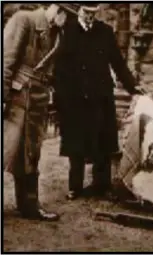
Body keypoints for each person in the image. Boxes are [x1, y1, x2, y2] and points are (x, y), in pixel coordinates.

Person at [53, 3, 142, 200]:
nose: (90, 17)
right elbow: (57, 65)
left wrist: (132, 86)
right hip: (74, 97)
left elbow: (117, 63)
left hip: (100, 95)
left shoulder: (105, 31)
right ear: (79, 11)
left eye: (94, 13)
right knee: (75, 142)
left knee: (104, 140)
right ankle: (75, 186)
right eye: (86, 13)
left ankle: (102, 185)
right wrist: (59, 94)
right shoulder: (66, 30)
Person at [3, 4, 69, 221]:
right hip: (16, 99)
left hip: (37, 101)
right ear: (57, 9)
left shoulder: (57, 32)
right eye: (67, 15)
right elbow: (6, 62)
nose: (68, 21)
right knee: (6, 149)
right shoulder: (25, 20)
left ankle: (29, 206)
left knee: (30, 154)